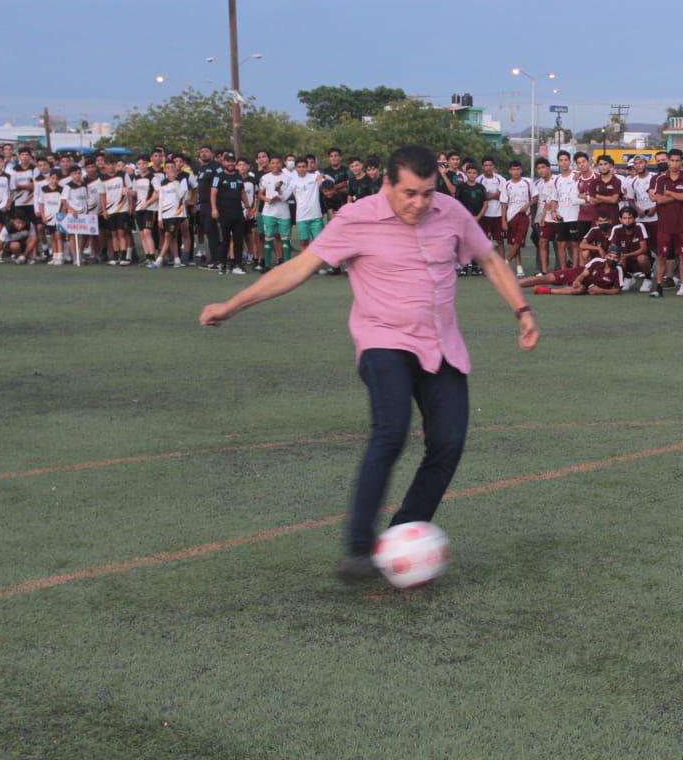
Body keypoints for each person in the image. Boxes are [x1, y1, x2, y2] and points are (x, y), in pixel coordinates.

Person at [199, 145, 539, 583]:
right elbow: (298, 267)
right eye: (410, 193)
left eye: (428, 193)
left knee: (449, 442)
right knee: (391, 430)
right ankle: (359, 549)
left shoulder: (451, 212)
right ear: (387, 185)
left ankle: (402, 536)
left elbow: (491, 260)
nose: (419, 203)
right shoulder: (355, 219)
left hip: (442, 345)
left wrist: (522, 311)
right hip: (384, 342)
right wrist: (233, 305)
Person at [648, 149, 683, 298]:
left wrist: (670, 193)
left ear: (681, 162)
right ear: (668, 161)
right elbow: (659, 200)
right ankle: (659, 288)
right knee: (662, 257)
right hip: (665, 227)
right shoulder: (661, 179)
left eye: (677, 161)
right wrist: (677, 196)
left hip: (682, 226)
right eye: (672, 160)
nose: (675, 163)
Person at [523, 245, 625, 295]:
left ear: (619, 259)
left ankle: (545, 290)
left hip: (584, 287)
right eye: (610, 256)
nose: (612, 259)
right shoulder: (598, 261)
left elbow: (617, 290)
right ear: (606, 256)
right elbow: (583, 274)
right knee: (543, 278)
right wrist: (577, 280)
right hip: (575, 274)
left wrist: (601, 290)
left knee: (579, 290)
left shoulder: (618, 270)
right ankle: (510, 285)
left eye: (615, 257)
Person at [211, 160, 249, 275]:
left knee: (238, 240)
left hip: (238, 213)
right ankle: (222, 264)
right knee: (225, 241)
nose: (230, 164)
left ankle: (237, 265)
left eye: (232, 161)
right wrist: (214, 209)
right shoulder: (218, 176)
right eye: (228, 161)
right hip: (224, 213)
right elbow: (213, 193)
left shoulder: (238, 177)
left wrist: (248, 207)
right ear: (224, 163)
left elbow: (242, 192)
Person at [257, 156, 293, 271]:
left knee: (285, 238)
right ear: (270, 164)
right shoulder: (265, 177)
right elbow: (260, 194)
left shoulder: (287, 178)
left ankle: (287, 266)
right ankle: (267, 265)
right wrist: (267, 199)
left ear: (281, 164)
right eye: (273, 163)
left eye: (277, 163)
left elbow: (291, 195)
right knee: (268, 237)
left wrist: (280, 195)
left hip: (284, 212)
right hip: (268, 212)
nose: (275, 165)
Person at [499, 160, 533, 276]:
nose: (516, 171)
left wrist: (527, 205)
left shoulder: (528, 182)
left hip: (524, 215)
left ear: (521, 170)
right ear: (510, 171)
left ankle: (506, 262)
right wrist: (503, 220)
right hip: (510, 216)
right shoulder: (506, 184)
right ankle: (519, 267)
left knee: (518, 240)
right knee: (514, 242)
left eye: (518, 169)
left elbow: (535, 198)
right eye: (513, 169)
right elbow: (503, 203)